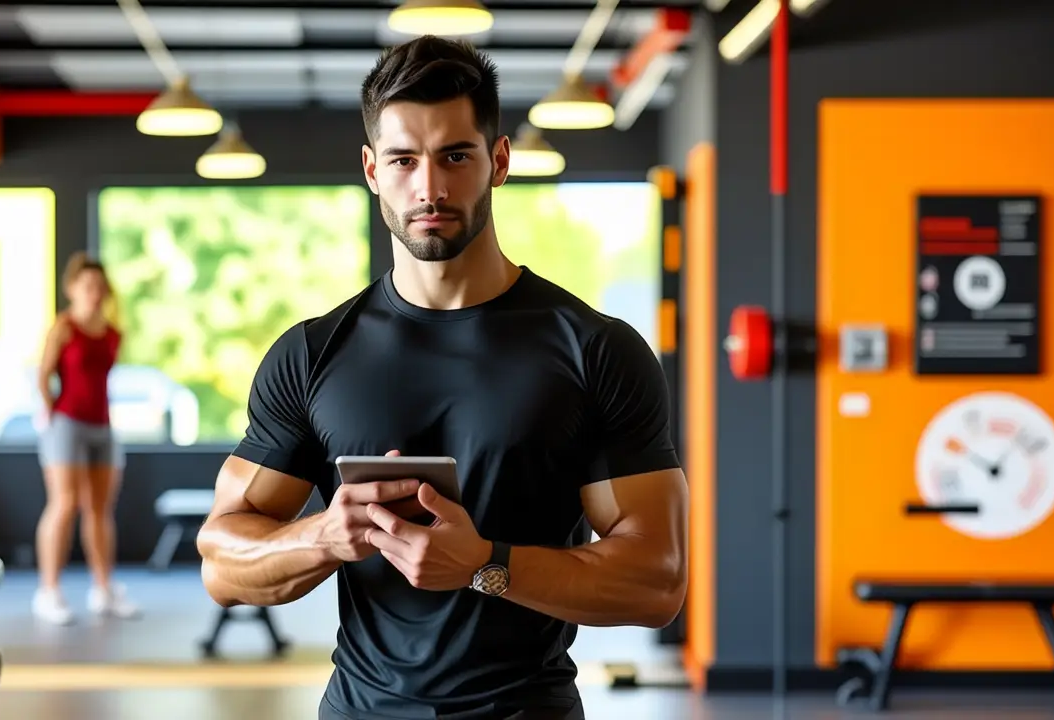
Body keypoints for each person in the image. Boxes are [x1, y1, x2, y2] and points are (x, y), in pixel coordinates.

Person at [197, 36, 688, 720]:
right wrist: (327, 537)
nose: (429, 186)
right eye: (404, 160)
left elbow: (657, 582)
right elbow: (221, 564)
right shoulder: (312, 354)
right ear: (372, 170)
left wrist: (486, 564)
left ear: (500, 162)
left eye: (456, 155)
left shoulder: (595, 350)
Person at [33, 252, 140, 625]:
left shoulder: (113, 333)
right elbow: (44, 374)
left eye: (100, 287)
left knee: (99, 510)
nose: (94, 293)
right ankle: (48, 591)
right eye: (87, 286)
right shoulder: (63, 328)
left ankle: (103, 588)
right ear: (72, 289)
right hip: (66, 423)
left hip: (102, 425)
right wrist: (50, 411)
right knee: (64, 504)